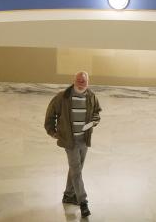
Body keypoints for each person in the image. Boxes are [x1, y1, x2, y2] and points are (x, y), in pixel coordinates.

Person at [44, 71, 101, 218]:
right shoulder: (62, 97)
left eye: (84, 80)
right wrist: (54, 133)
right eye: (79, 80)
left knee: (76, 169)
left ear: (88, 82)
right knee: (76, 171)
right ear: (74, 80)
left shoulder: (91, 96)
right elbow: (50, 116)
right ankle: (83, 202)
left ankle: (69, 195)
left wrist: (94, 122)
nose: (81, 82)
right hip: (70, 142)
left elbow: (97, 113)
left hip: (84, 140)